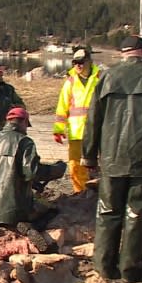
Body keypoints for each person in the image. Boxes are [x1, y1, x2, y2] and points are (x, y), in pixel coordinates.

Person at [81, 35, 142, 283]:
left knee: (107, 211)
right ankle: (130, 269)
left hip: (113, 157)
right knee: (138, 212)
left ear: (122, 53)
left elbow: (93, 121)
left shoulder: (107, 78)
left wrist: (89, 155)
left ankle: (104, 267)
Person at [0, 107, 66, 252]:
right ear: (24, 122)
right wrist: (56, 170)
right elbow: (32, 172)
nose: (26, 129)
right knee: (52, 209)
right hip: (16, 209)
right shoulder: (24, 142)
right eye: (27, 125)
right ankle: (29, 227)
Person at [52, 47, 101, 193]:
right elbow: (62, 107)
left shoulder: (100, 79)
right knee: (75, 167)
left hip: (97, 132)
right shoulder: (70, 82)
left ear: (89, 61)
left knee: (98, 166)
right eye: (75, 62)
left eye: (81, 62)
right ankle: (79, 193)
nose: (78, 65)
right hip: (75, 132)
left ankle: (98, 195)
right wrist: (58, 130)